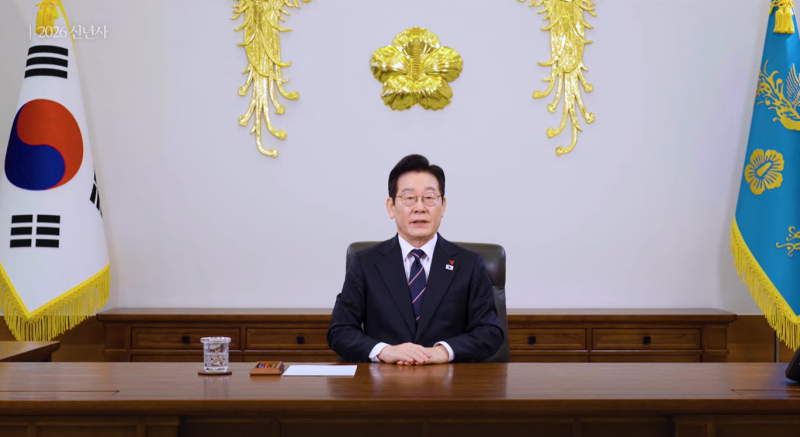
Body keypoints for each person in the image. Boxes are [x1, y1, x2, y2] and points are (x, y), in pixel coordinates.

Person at [327, 154, 504, 364]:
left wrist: (444, 351)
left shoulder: (469, 264)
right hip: (383, 386)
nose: (420, 208)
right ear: (391, 207)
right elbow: (339, 331)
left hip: (449, 386)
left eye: (429, 198)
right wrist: (384, 351)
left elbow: (490, 332)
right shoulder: (365, 263)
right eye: (409, 198)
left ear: (443, 205)